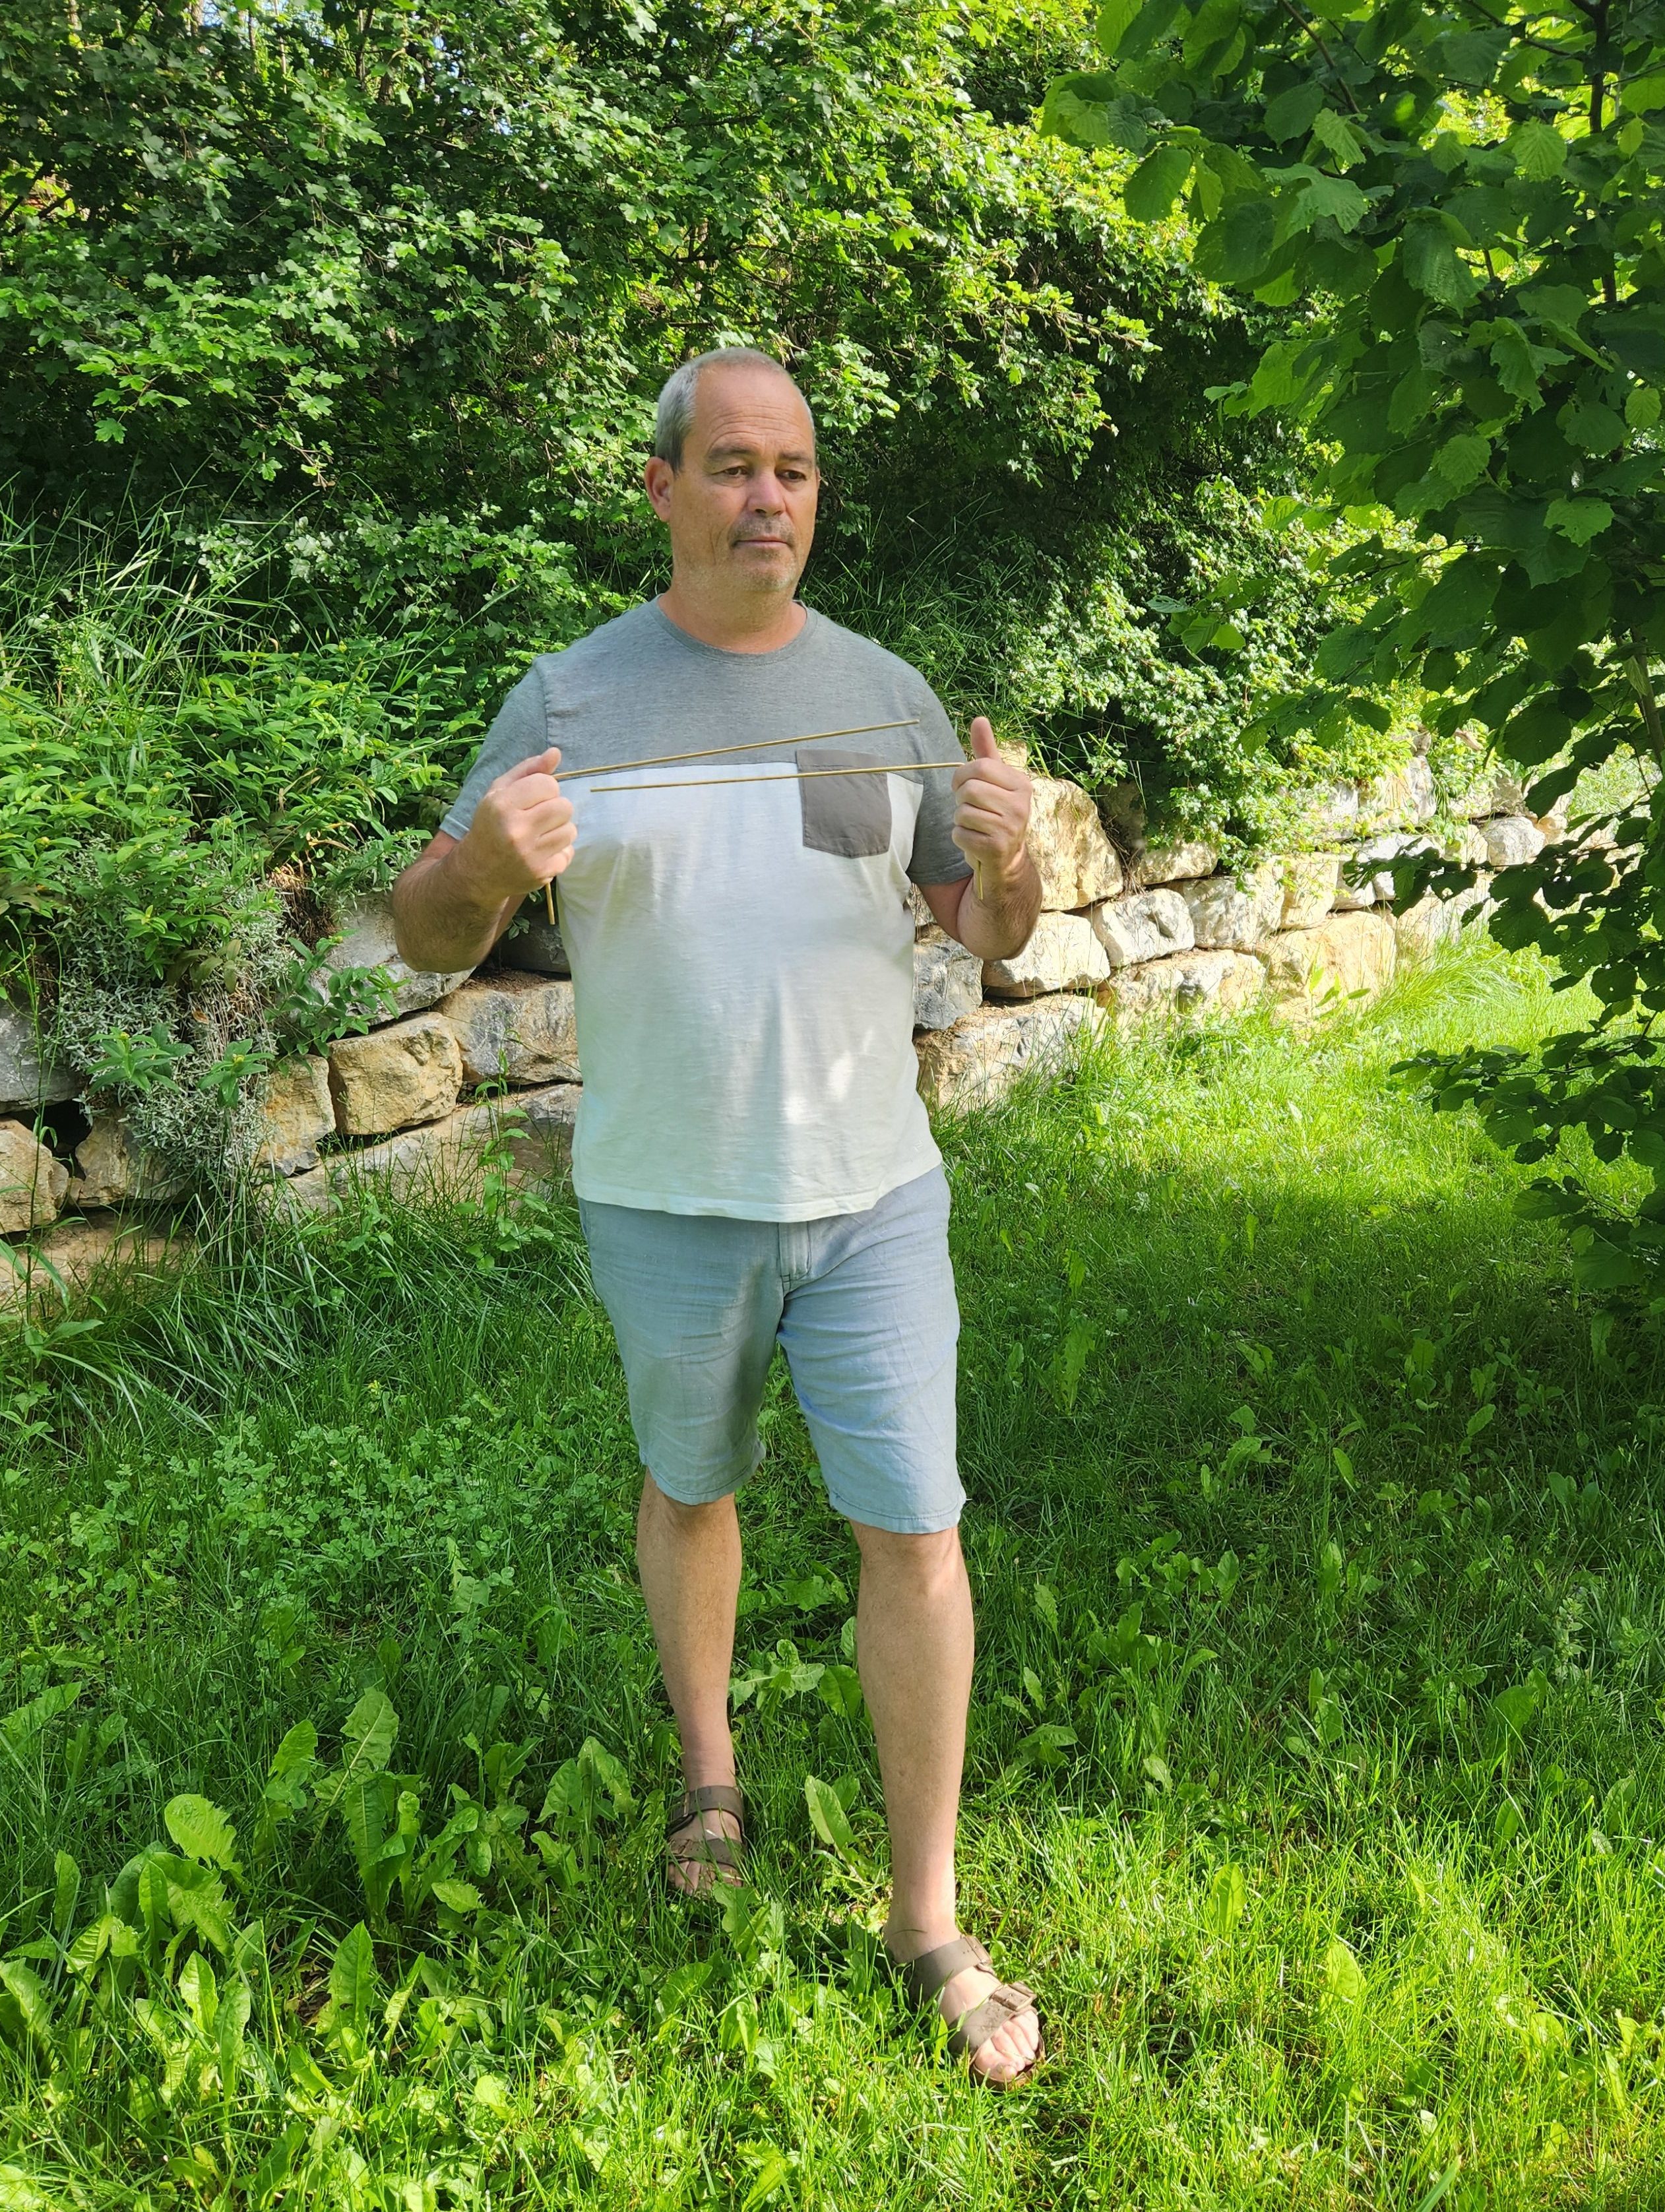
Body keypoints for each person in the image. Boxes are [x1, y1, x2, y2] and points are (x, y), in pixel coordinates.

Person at [393, 346, 1045, 2084]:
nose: (771, 498)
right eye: (738, 466)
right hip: (666, 1198)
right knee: (692, 1485)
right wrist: (478, 872)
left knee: (917, 1527)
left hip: (874, 1193)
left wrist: (1017, 858)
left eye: (799, 471)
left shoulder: (881, 695)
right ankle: (709, 1773)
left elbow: (986, 931)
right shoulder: (572, 701)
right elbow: (422, 934)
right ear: (667, 487)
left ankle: (926, 1917)